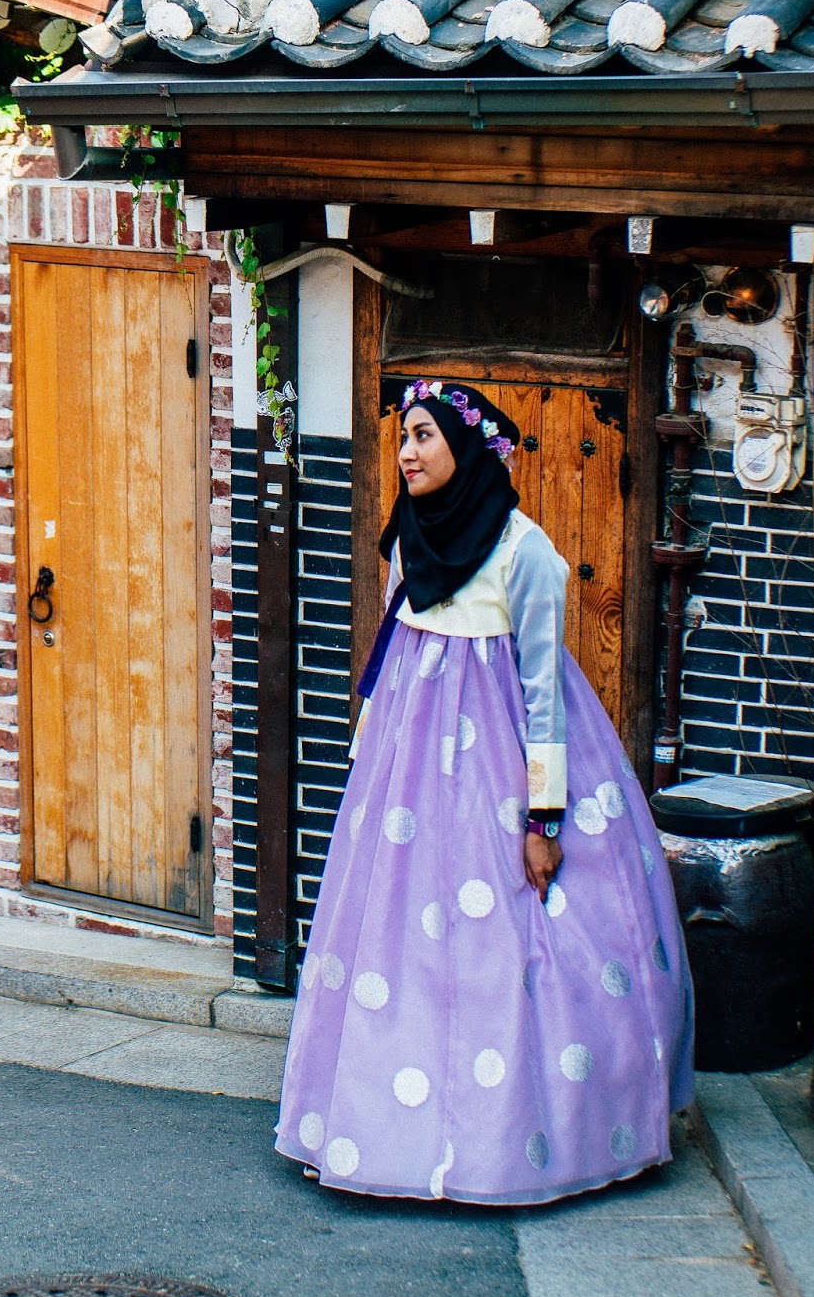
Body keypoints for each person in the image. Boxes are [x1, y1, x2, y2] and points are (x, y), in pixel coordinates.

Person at [275, 378, 694, 1206]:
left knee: (515, 939)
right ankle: (394, 1128)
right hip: (409, 784)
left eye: (424, 436)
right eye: (403, 439)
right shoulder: (407, 541)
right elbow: (393, 651)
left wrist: (542, 818)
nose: (407, 453)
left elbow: (541, 689)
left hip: (497, 766)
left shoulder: (523, 550)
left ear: (465, 449)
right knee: (403, 941)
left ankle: (517, 1136)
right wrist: (371, 752)